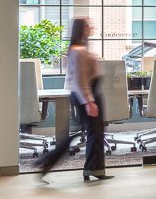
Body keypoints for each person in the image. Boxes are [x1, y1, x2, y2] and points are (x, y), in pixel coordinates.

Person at [36, 18, 111, 182]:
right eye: (87, 25)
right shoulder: (78, 51)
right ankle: (48, 163)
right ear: (81, 29)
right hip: (88, 94)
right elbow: (79, 80)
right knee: (94, 133)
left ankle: (93, 169)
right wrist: (89, 102)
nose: (91, 27)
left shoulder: (79, 49)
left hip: (89, 93)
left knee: (94, 133)